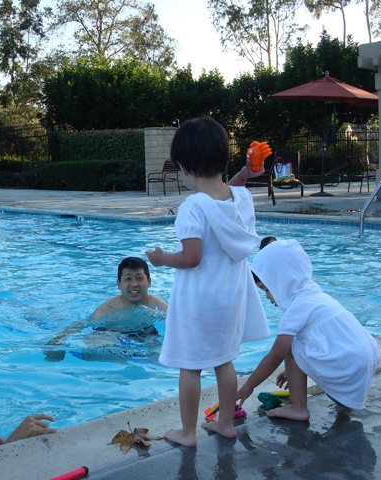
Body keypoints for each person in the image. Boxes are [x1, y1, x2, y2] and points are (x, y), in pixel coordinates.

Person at [145, 117, 270, 447]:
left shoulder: (192, 207)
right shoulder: (241, 198)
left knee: (190, 367)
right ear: (224, 159)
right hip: (230, 298)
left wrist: (160, 259)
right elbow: (233, 192)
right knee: (223, 361)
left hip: (199, 301)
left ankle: (187, 433)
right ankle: (225, 423)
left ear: (184, 168)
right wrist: (246, 173)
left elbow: (191, 257)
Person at [237, 239, 380, 421]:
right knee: (300, 347)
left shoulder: (296, 307)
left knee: (290, 348)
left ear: (281, 282)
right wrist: (294, 370)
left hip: (347, 364)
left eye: (266, 289)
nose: (267, 296)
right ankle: (343, 402)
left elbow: (275, 355)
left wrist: (248, 386)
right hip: (364, 358)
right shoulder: (316, 294)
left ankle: (298, 408)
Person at [90, 256, 168, 321]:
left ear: (149, 282)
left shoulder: (162, 309)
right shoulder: (106, 310)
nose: (134, 284)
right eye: (128, 278)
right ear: (119, 284)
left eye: (139, 278)